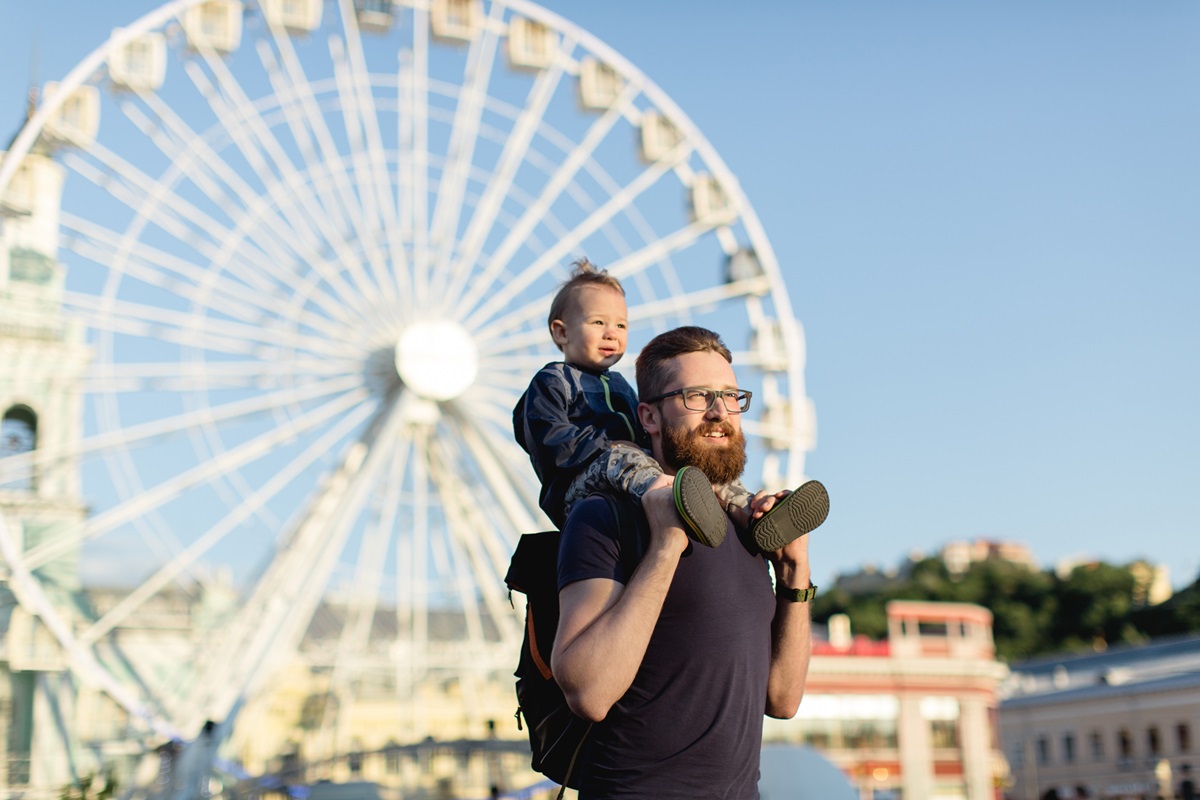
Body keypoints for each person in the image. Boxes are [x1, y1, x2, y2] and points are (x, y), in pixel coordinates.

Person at [550, 325, 823, 799]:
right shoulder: (607, 516)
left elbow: (782, 700)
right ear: (649, 417)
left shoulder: (748, 533)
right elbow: (587, 692)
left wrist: (795, 576)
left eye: (732, 396)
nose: (720, 412)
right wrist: (665, 546)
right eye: (697, 396)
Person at [512, 259, 826, 553]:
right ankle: (673, 501)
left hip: (631, 471)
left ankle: (752, 514)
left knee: (698, 469)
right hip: (577, 484)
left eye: (621, 326)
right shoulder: (552, 381)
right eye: (598, 322)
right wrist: (607, 448)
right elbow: (550, 441)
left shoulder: (620, 386)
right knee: (627, 458)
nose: (612, 333)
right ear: (561, 332)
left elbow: (647, 437)